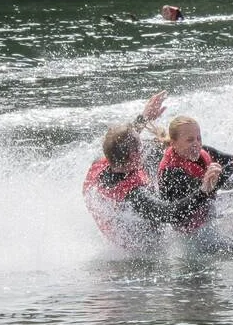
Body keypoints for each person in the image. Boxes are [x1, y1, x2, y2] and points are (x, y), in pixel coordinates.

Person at [82, 92, 223, 251]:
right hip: (142, 244)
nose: (144, 147)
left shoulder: (103, 161)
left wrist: (144, 118)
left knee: (157, 148)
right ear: (134, 155)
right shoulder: (135, 195)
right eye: (140, 145)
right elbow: (170, 213)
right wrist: (203, 191)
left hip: (117, 215)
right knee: (158, 153)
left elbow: (119, 141)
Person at [156, 115, 233, 233]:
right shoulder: (171, 172)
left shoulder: (202, 151)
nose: (196, 143)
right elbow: (209, 187)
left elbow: (231, 160)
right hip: (191, 233)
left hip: (208, 210)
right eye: (190, 140)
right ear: (173, 143)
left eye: (198, 138)